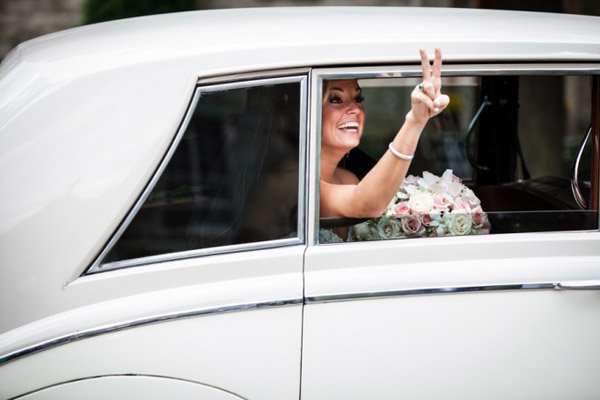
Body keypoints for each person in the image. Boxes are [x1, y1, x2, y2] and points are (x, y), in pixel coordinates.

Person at [320, 48, 450, 240]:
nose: (355, 109)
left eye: (358, 98)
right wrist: (415, 120)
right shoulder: (292, 182)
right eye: (336, 99)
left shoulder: (348, 179)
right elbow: (368, 205)